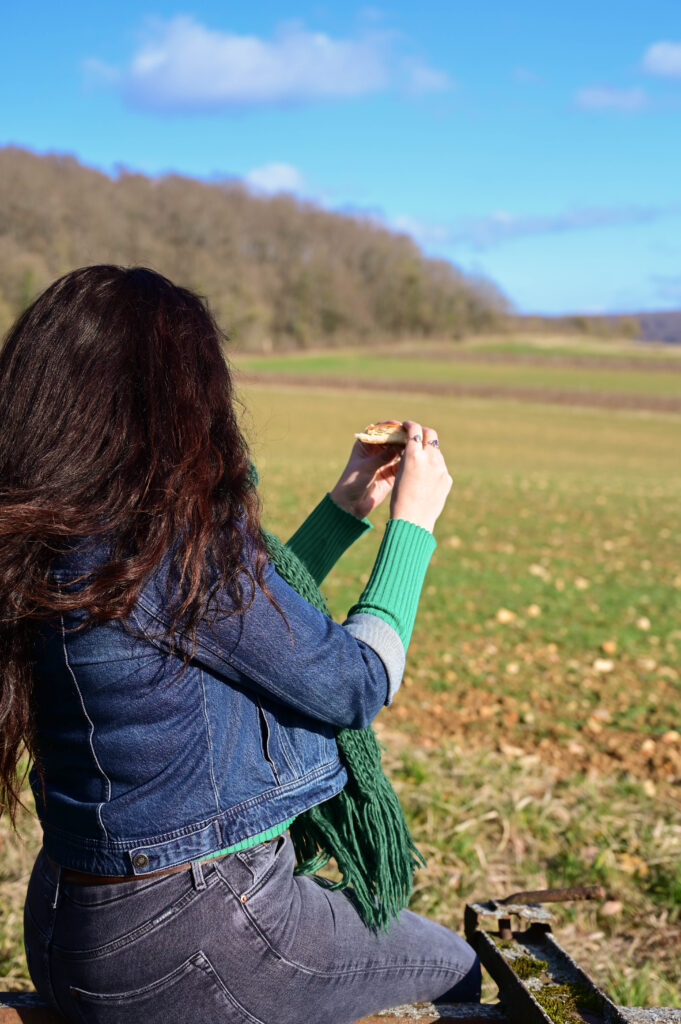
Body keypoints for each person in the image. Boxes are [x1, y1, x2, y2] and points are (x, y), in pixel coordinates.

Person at [0, 265, 480, 1024]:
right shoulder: (163, 537)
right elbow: (352, 682)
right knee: (452, 968)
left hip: (71, 927)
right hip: (194, 935)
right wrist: (411, 530)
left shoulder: (52, 531)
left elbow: (223, 629)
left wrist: (343, 509)